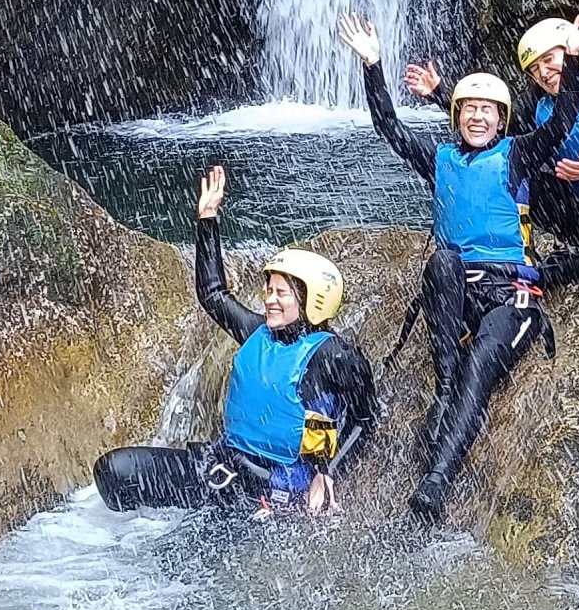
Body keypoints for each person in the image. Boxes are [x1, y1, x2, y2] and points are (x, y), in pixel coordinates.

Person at [338, 9, 579, 520]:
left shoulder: (519, 153)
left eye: (488, 110)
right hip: (459, 289)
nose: (478, 117)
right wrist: (374, 66)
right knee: (441, 262)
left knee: (481, 365)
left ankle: (435, 484)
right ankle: (445, 390)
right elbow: (389, 127)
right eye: (469, 109)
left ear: (500, 120)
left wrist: (570, 57)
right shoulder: (439, 160)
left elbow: (565, 118)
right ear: (456, 116)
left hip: (512, 294)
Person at [93, 166, 379, 515]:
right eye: (269, 290)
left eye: (282, 293)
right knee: (114, 471)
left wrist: (327, 473)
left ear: (312, 299)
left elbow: (365, 420)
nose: (270, 300)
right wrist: (207, 219)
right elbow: (213, 294)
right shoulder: (256, 331)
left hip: (273, 490)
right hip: (221, 467)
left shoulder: (335, 355)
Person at [403, 18, 579, 296]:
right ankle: (508, 261)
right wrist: (442, 95)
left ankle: (565, 268)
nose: (545, 73)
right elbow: (499, 140)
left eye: (550, 59)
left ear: (573, 51)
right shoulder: (539, 100)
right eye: (535, 69)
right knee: (509, 169)